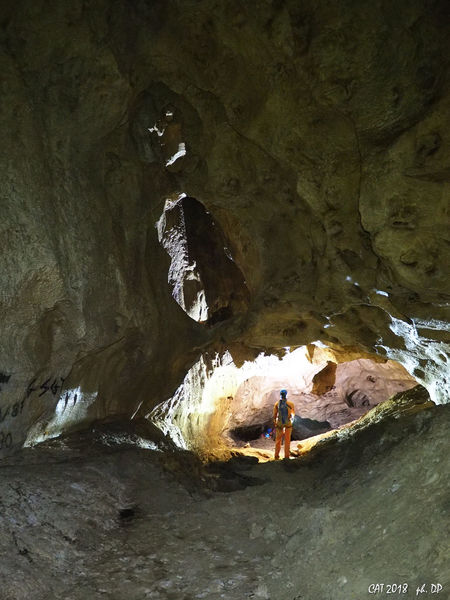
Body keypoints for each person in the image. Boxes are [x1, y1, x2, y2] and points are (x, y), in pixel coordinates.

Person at [273, 389, 295, 460]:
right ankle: (286, 457)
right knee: (287, 441)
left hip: (279, 424)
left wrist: (275, 423)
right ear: (286, 395)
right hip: (288, 424)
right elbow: (293, 414)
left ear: (280, 395)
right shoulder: (290, 404)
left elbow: (274, 415)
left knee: (278, 441)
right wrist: (291, 421)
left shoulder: (277, 404)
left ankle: (276, 456)